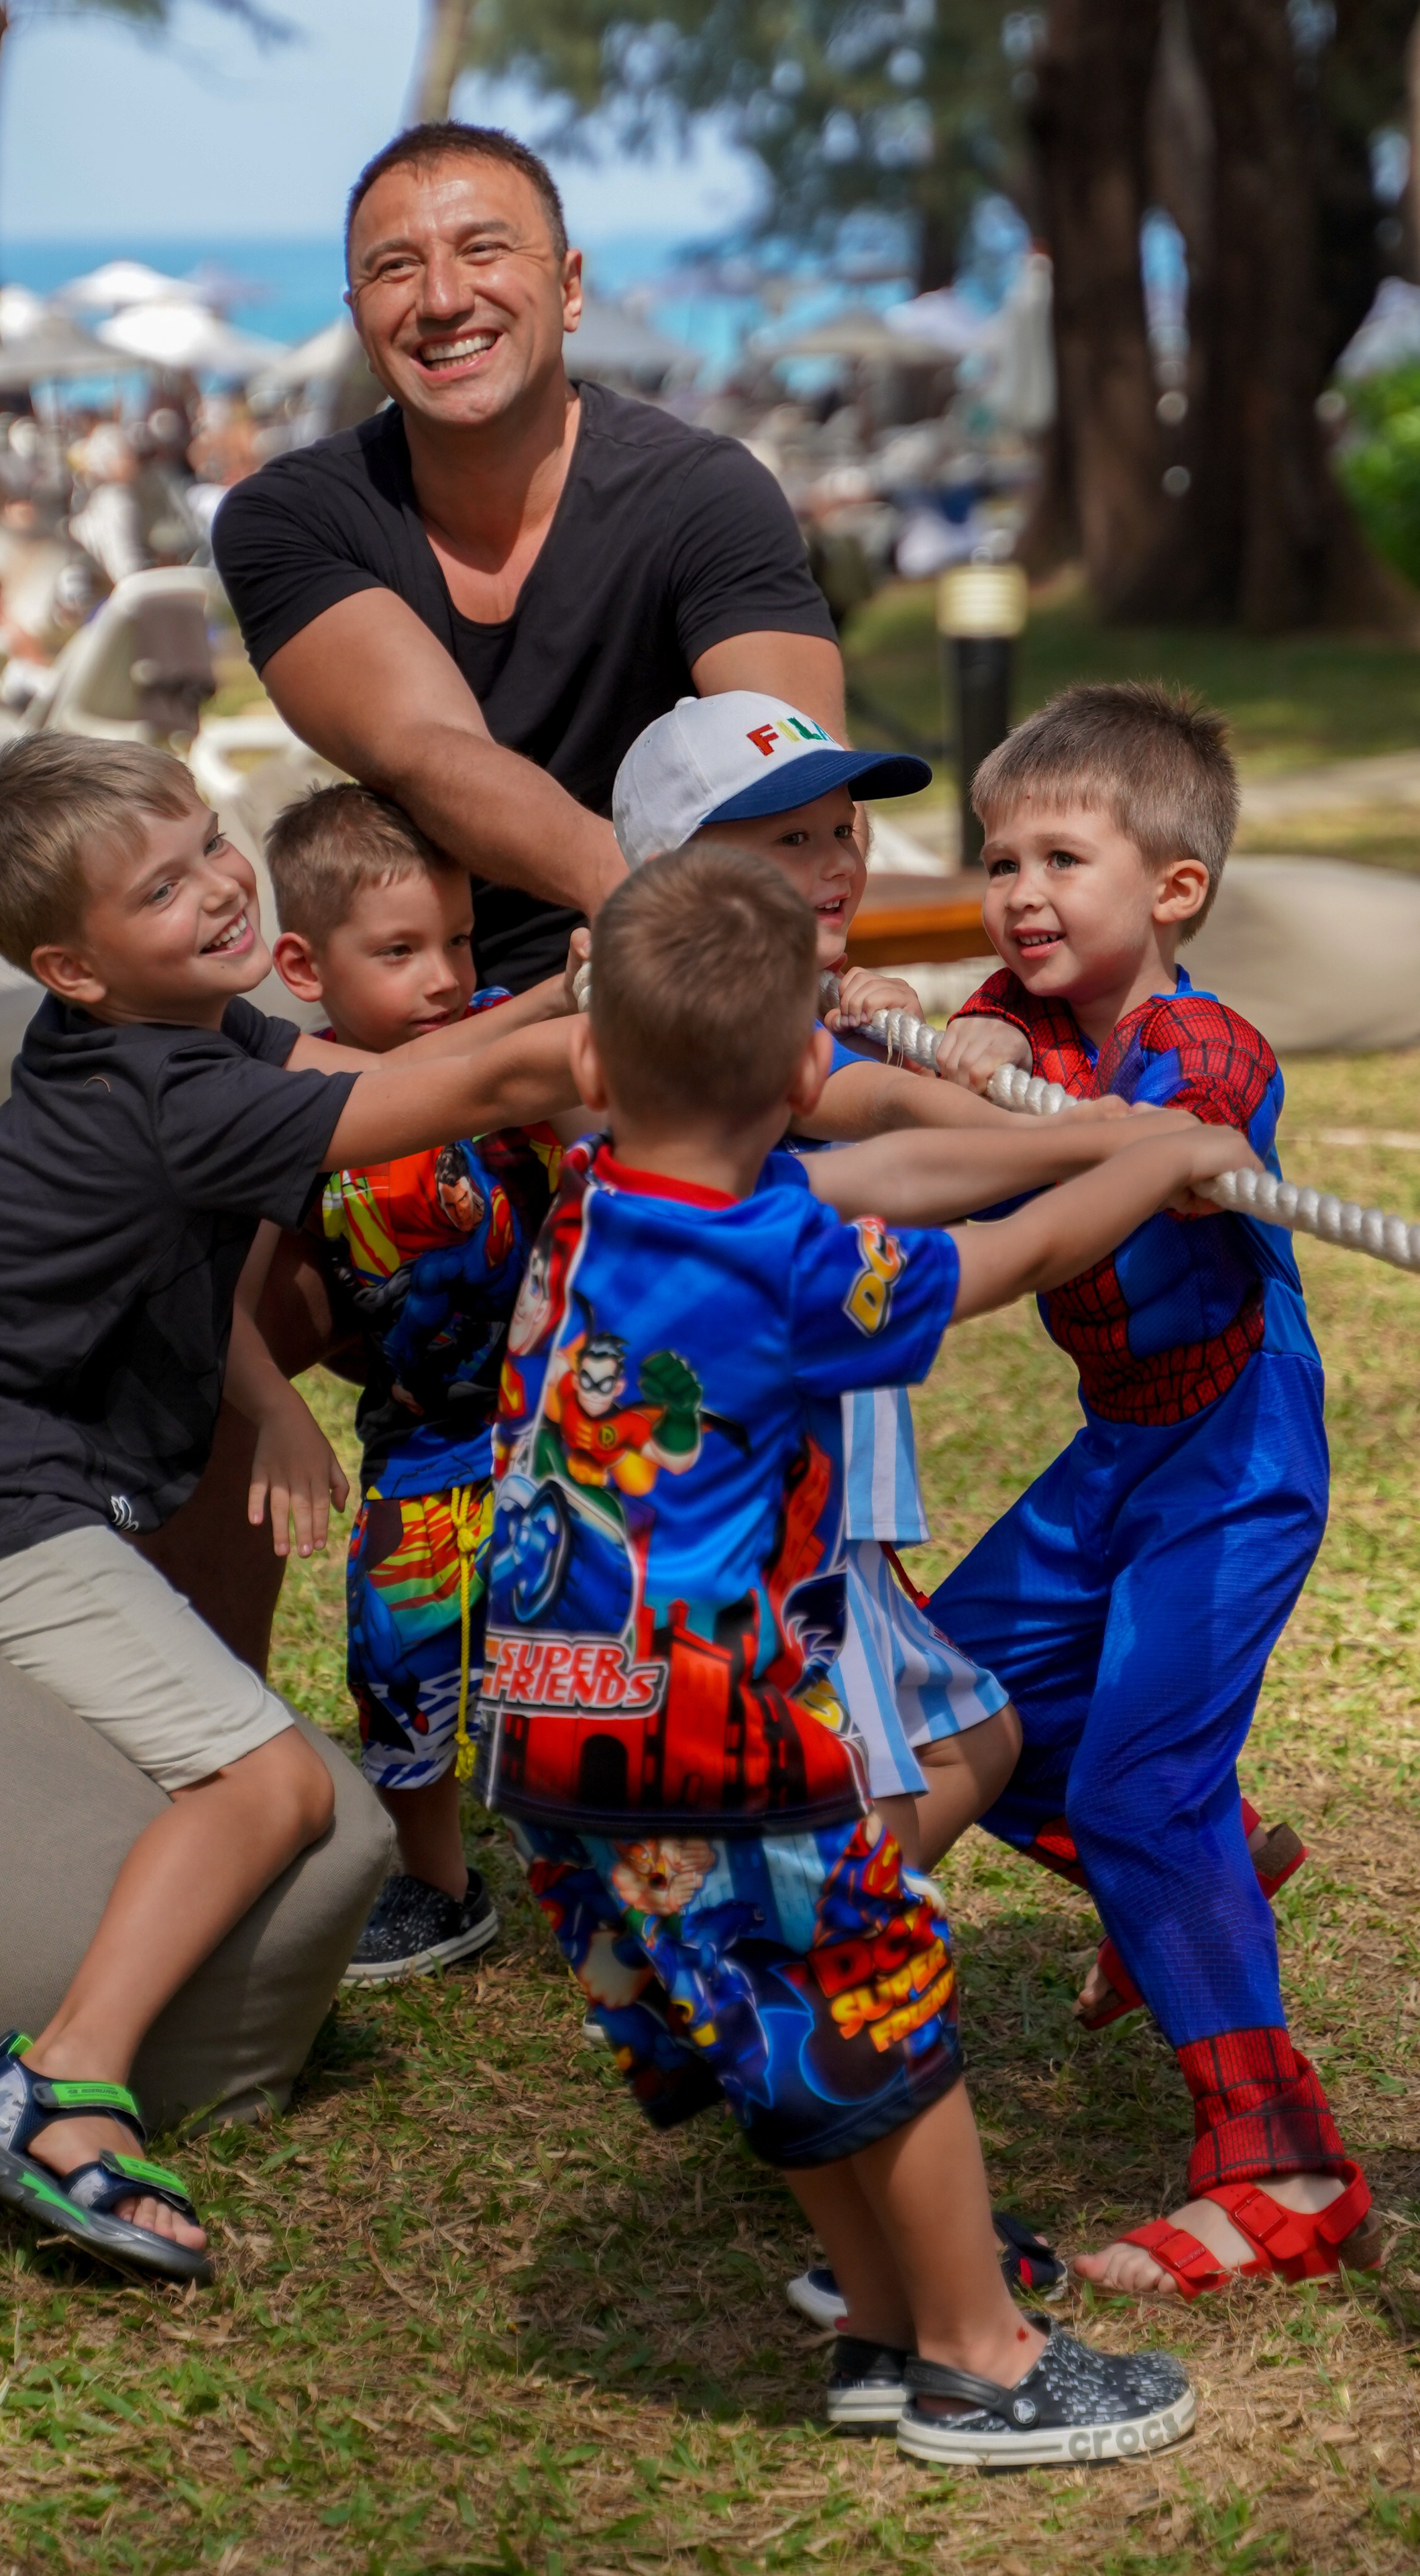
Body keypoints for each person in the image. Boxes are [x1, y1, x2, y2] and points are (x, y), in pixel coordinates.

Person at [482, 843, 1252, 2459]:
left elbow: (887, 1178)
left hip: (551, 1726)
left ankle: (884, 2328)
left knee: (785, 2024)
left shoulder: (599, 1195)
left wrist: (1108, 1134)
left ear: (592, 1059)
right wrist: (1160, 1153)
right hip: (717, 1729)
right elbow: (1016, 1255)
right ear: (805, 1066)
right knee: (879, 2006)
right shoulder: (780, 1266)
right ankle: (982, 2357)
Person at [0, 735, 581, 2287]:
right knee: (274, 1788)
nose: (221, 883)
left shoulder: (173, 1035)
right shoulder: (169, 1094)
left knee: (236, 1753)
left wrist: (566, 993)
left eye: (211, 843)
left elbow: (365, 1067)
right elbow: (452, 1089)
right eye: (162, 888)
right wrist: (614, 1004)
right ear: (73, 967)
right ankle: (62, 2086)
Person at [189, 114, 860, 1674]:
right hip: (418, 1021)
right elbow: (424, 747)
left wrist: (688, 976)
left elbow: (790, 775)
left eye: (480, 248)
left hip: (671, 1029)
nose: (439, 294)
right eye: (390, 267)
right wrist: (641, 912)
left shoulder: (701, 495)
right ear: (358, 316)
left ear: (564, 280)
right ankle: (203, 1774)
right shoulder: (290, 515)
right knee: (188, 1340)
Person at [923, 683, 1381, 2301]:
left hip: (1231, 1449)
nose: (1019, 890)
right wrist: (969, 1025)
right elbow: (982, 1034)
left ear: (1170, 891)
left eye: (1061, 857)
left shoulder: (1195, 1039)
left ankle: (1285, 2170)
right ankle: (1199, 1859)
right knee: (938, 1705)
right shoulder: (1019, 1016)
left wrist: (1104, 1118)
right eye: (999, 860)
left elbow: (1183, 1109)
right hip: (1116, 1438)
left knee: (1134, 1785)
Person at [262, 783, 575, 1982]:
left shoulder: (512, 1032)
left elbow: (569, 1095)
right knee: (398, 1661)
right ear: (305, 964)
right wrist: (273, 1406)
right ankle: (437, 1886)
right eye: (400, 951)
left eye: (456, 939)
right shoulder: (293, 1095)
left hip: (561, 1423)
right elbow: (240, 1285)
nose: (444, 975)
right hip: (418, 1433)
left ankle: (621, 1881)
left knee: (569, 1645)